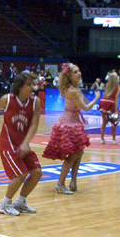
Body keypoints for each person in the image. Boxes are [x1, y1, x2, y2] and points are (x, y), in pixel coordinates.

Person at [0, 72, 42, 216]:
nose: (33, 87)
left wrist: (26, 144)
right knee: (20, 174)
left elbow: (34, 125)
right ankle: (5, 204)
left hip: (22, 144)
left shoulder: (35, 102)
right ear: (20, 86)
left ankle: (21, 202)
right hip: (8, 143)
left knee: (37, 173)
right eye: (29, 84)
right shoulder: (8, 99)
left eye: (33, 84)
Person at [42, 63, 100, 194]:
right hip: (69, 125)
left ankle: (73, 182)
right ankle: (60, 184)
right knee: (73, 155)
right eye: (75, 72)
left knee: (79, 153)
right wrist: (96, 98)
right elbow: (86, 107)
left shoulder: (76, 88)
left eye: (79, 71)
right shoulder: (72, 91)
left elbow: (83, 102)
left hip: (75, 123)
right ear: (69, 76)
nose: (79, 73)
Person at [98, 71, 120, 144]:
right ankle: (113, 139)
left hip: (104, 101)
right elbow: (116, 99)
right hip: (111, 103)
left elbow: (105, 94)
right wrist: (116, 110)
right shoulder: (118, 87)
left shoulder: (107, 85)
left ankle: (102, 139)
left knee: (104, 122)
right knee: (114, 122)